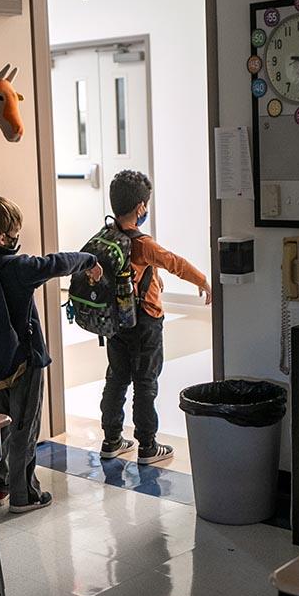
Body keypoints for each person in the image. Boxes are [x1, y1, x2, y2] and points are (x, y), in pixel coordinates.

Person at [0, 196, 101, 512]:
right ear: (3, 238)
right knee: (24, 427)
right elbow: (58, 263)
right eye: (15, 231)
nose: (18, 236)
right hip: (23, 362)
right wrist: (90, 260)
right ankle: (24, 495)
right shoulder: (18, 268)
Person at [99, 170, 212, 465]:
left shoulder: (107, 236)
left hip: (116, 322)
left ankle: (111, 440)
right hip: (145, 322)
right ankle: (147, 446)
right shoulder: (142, 243)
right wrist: (204, 281)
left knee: (116, 378)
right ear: (140, 207)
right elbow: (175, 262)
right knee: (145, 382)